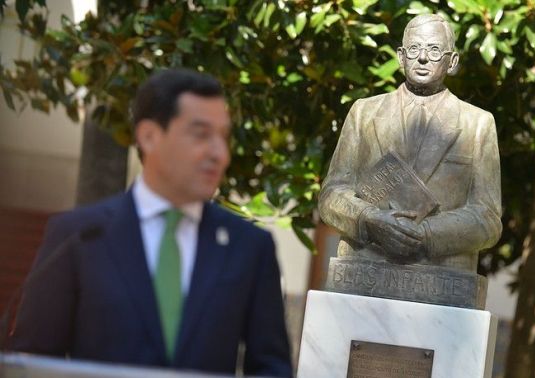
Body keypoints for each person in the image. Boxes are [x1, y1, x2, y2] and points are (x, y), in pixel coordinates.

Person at [10, 68, 292, 377]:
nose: (219, 153)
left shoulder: (249, 247)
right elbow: (31, 362)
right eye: (201, 134)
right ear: (149, 136)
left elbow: (272, 368)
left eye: (223, 137)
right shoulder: (77, 236)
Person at [319, 14, 502, 272]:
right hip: (365, 266)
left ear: (452, 62)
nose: (423, 57)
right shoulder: (364, 113)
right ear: (400, 57)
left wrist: (425, 234)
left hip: (440, 274)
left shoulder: (478, 124)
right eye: (414, 48)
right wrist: (369, 219)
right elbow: (330, 196)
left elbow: (488, 218)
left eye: (435, 50)